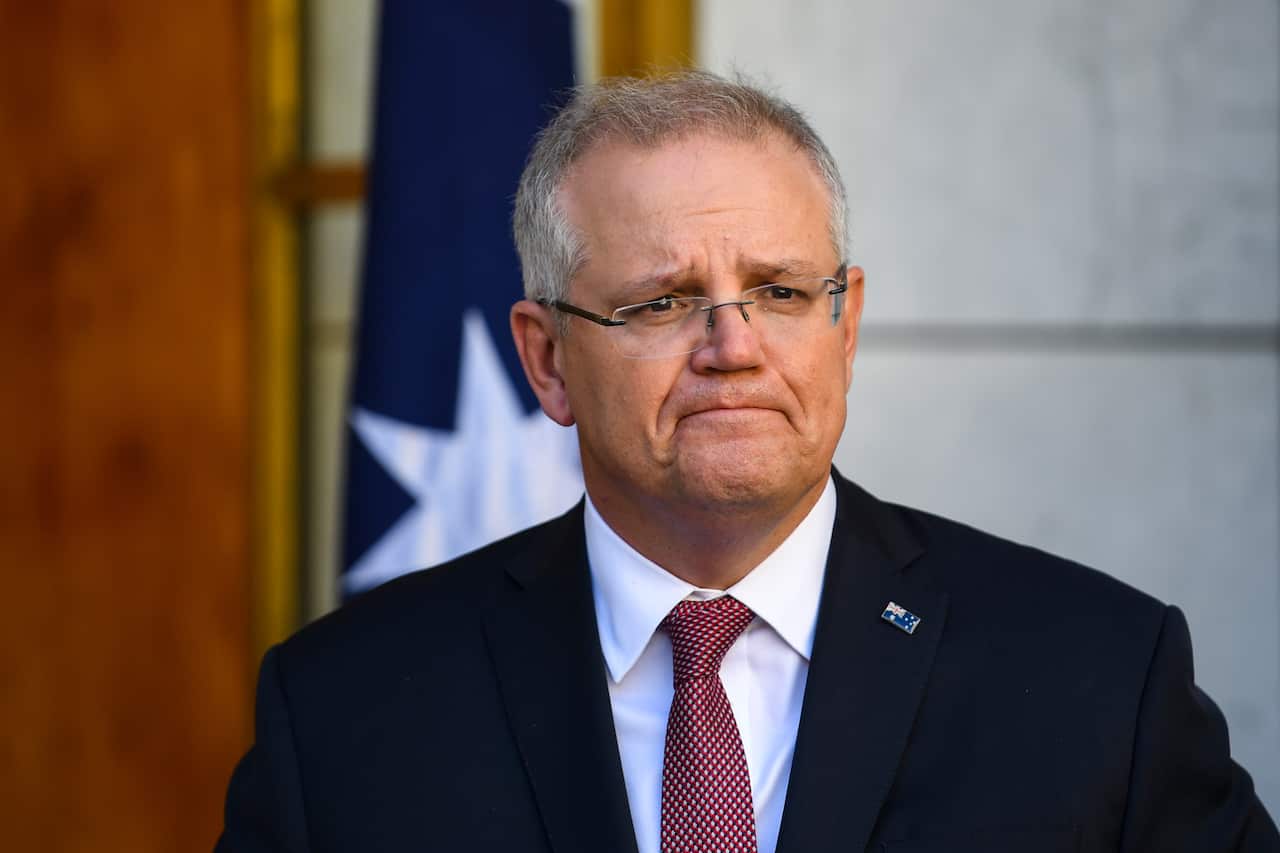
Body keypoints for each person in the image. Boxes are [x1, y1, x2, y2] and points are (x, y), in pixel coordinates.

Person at [217, 71, 1279, 853]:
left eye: (777, 291)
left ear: (844, 325)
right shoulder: (346, 712)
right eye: (662, 301)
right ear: (546, 361)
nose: (732, 347)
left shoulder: (1096, 678)